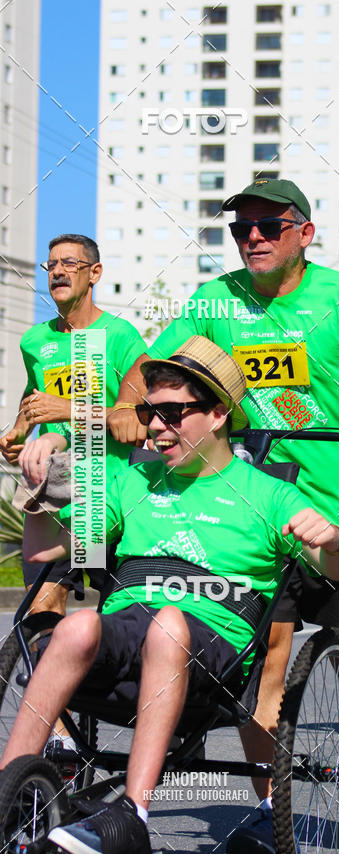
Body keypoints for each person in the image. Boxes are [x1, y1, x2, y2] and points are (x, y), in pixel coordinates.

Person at [108, 178, 339, 854]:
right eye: (240, 228)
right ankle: (267, 800)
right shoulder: (215, 298)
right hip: (254, 504)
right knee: (269, 660)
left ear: (303, 233)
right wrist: (124, 406)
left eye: (268, 225)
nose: (252, 236)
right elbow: (147, 364)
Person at [0, 336, 339, 854]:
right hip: (127, 636)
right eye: (148, 413)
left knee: (167, 624)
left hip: (211, 660)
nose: (155, 427)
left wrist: (333, 540)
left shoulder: (268, 495)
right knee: (75, 627)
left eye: (171, 413)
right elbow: (45, 551)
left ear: (217, 414)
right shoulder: (132, 481)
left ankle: (134, 819)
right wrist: (41, 489)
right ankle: (11, 802)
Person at [0, 233, 147, 617]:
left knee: (119, 623)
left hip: (109, 500)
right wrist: (18, 431)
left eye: (70, 264)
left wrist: (65, 410)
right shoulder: (35, 340)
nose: (58, 272)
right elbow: (34, 394)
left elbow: (131, 419)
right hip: (54, 497)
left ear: (94, 273)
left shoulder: (119, 336)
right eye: (52, 265)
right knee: (40, 615)